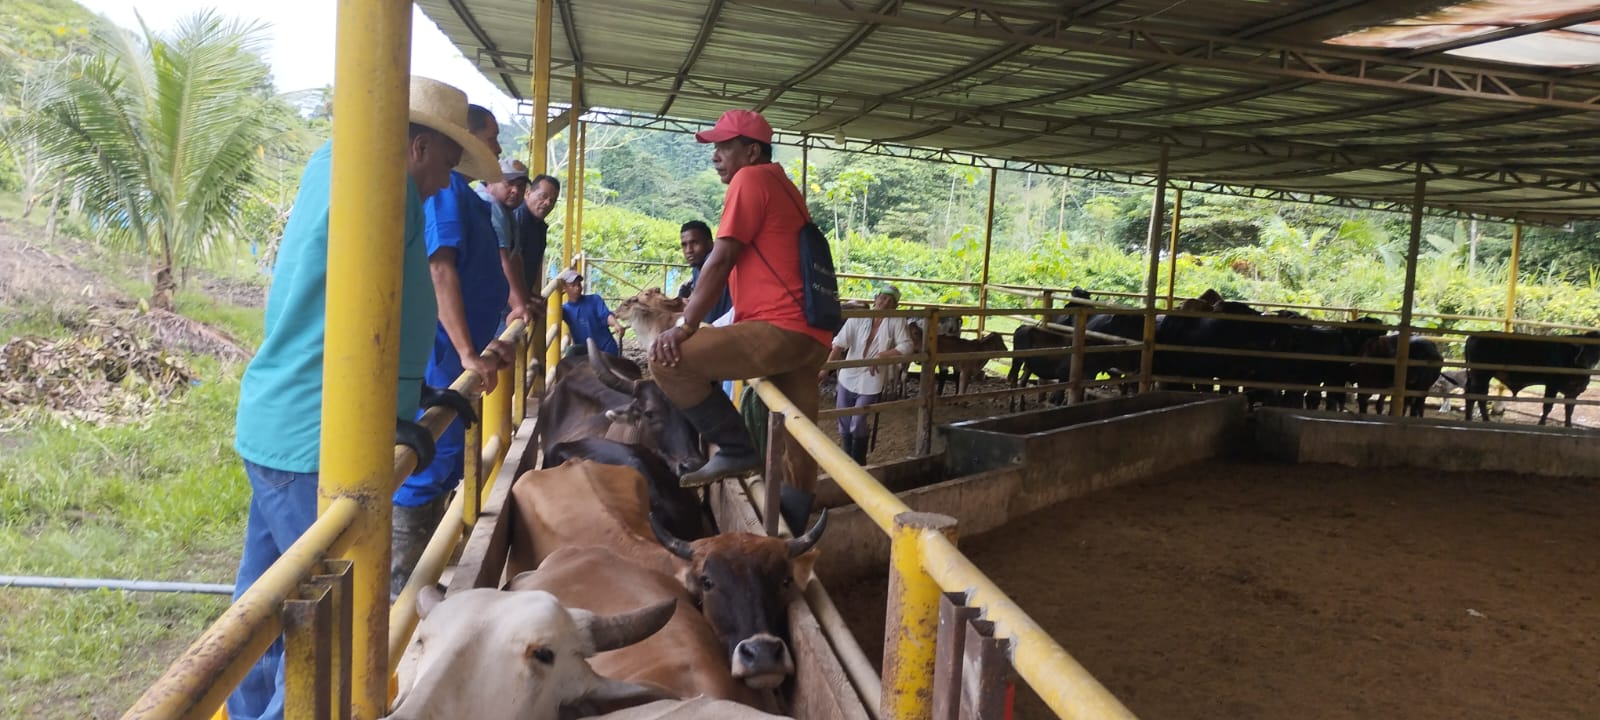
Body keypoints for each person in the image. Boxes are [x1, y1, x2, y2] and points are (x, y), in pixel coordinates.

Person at [228, 76, 499, 720]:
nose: (448, 180)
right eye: (449, 162)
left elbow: (344, 295)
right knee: (332, 625)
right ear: (418, 147)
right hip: (317, 435)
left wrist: (411, 392)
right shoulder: (383, 187)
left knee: (263, 602)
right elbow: (359, 311)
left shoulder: (336, 165)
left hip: (282, 416)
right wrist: (380, 412)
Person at [647, 109, 831, 533]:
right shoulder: (785, 186)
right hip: (811, 336)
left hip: (778, 328)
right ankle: (790, 531)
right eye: (715, 148)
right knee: (798, 441)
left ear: (751, 151)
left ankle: (734, 446)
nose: (716, 156)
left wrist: (686, 325)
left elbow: (722, 257)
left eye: (725, 147)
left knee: (666, 359)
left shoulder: (750, 179)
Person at [390, 103, 514, 597]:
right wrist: (467, 352)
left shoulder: (467, 198)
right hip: (443, 361)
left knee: (443, 462)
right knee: (425, 463)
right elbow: (440, 271)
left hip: (453, 358)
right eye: (490, 137)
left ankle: (422, 575)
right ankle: (400, 589)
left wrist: (484, 342)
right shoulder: (446, 197)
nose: (497, 148)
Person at [822, 284, 912, 464]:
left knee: (858, 421)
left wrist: (883, 355)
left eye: (890, 301)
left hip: (873, 378)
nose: (885, 302)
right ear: (875, 299)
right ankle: (848, 461)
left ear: (895, 306)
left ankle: (859, 461)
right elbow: (839, 344)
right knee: (844, 420)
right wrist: (826, 369)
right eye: (883, 298)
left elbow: (907, 345)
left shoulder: (896, 321)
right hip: (848, 375)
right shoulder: (859, 317)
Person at [481, 158, 541, 324]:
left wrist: (525, 298)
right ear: (491, 181)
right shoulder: (490, 205)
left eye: (521, 186)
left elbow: (515, 258)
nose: (516, 190)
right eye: (509, 183)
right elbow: (502, 260)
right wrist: (519, 306)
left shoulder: (506, 211)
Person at [558, 268, 624, 356]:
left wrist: (616, 324)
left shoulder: (595, 299)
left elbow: (606, 316)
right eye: (573, 285)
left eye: (579, 284)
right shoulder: (565, 310)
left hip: (607, 349)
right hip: (586, 352)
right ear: (564, 288)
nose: (577, 288)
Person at [676, 219, 732, 322]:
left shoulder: (716, 265)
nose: (689, 250)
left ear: (710, 244)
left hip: (726, 327)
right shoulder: (697, 268)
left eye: (694, 243)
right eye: (684, 245)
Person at [515, 173, 560, 295]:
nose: (547, 203)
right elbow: (511, 263)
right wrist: (522, 299)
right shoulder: (519, 218)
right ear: (528, 193)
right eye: (543, 196)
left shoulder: (540, 225)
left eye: (552, 200)